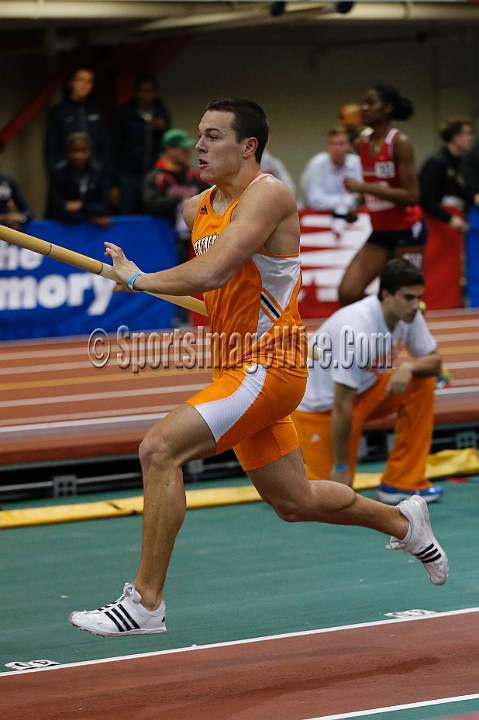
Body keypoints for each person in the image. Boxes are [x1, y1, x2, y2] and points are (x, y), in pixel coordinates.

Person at [69, 99, 448, 638]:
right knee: (295, 501)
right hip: (237, 368)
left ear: (248, 146)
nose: (199, 145)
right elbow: (219, 286)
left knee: (158, 449)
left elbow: (213, 270)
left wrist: (137, 279)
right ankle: (404, 522)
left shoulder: (267, 193)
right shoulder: (194, 208)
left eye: (214, 135)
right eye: (199, 135)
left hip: (271, 364)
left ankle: (146, 601)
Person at [292, 257, 443, 504]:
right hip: (322, 409)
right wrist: (341, 468)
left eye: (419, 297)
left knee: (422, 381)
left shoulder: (408, 315)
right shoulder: (356, 331)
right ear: (386, 295)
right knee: (323, 499)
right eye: (408, 298)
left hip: (364, 392)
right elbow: (342, 405)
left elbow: (436, 362)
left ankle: (401, 483)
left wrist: (410, 365)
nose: (416, 306)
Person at [338, 84, 426, 307]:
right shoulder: (361, 144)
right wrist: (356, 204)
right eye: (363, 103)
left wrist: (363, 188)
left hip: (408, 231)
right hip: (381, 231)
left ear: (387, 108)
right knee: (348, 293)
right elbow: (377, 185)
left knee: (405, 296)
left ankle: (414, 328)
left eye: (371, 103)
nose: (364, 108)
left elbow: (411, 195)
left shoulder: (399, 143)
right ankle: (384, 312)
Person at [143, 128, 210, 325]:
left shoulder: (196, 177)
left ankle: (193, 316)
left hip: (194, 237)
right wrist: (180, 202)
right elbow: (150, 204)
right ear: (169, 150)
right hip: (164, 238)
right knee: (171, 277)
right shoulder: (157, 176)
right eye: (182, 150)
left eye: (188, 150)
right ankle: (173, 318)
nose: (187, 154)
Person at [112, 73, 171, 215]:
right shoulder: (125, 113)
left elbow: (167, 145)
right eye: (141, 91)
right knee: (126, 212)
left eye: (149, 91)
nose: (145, 95)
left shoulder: (161, 112)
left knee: (153, 212)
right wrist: (114, 182)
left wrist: (163, 129)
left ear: (154, 93)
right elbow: (115, 147)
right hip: (128, 174)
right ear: (136, 92)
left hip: (152, 173)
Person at [45, 68, 110, 176]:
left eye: (89, 81)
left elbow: (106, 145)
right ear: (71, 82)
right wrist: (54, 172)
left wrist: (106, 171)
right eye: (81, 80)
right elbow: (51, 146)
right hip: (67, 174)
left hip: (95, 173)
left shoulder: (97, 111)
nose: (85, 85)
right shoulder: (59, 111)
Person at [419, 118, 477, 230]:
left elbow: (453, 186)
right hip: (433, 217)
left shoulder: (456, 159)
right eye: (468, 134)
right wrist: (449, 218)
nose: (471, 138)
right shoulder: (438, 162)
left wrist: (473, 197)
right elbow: (425, 197)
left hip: (444, 213)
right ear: (456, 137)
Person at [46, 132, 111, 227]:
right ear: (67, 152)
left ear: (90, 151)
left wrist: (81, 205)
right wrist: (91, 217)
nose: (78, 155)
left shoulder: (99, 172)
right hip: (60, 227)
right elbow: (57, 209)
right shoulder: (58, 173)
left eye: (83, 150)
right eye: (74, 151)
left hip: (90, 229)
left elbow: (103, 207)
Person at [300, 126, 363, 220]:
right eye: (333, 143)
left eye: (341, 144)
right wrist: (347, 201)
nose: (337, 148)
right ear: (327, 146)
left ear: (349, 146)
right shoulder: (317, 164)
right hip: (320, 218)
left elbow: (362, 194)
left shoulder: (357, 163)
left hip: (352, 217)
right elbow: (315, 200)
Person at [0, 140, 32, 230]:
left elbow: (28, 212)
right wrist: (2, 217)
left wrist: (19, 217)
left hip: (7, 234)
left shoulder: (8, 181)